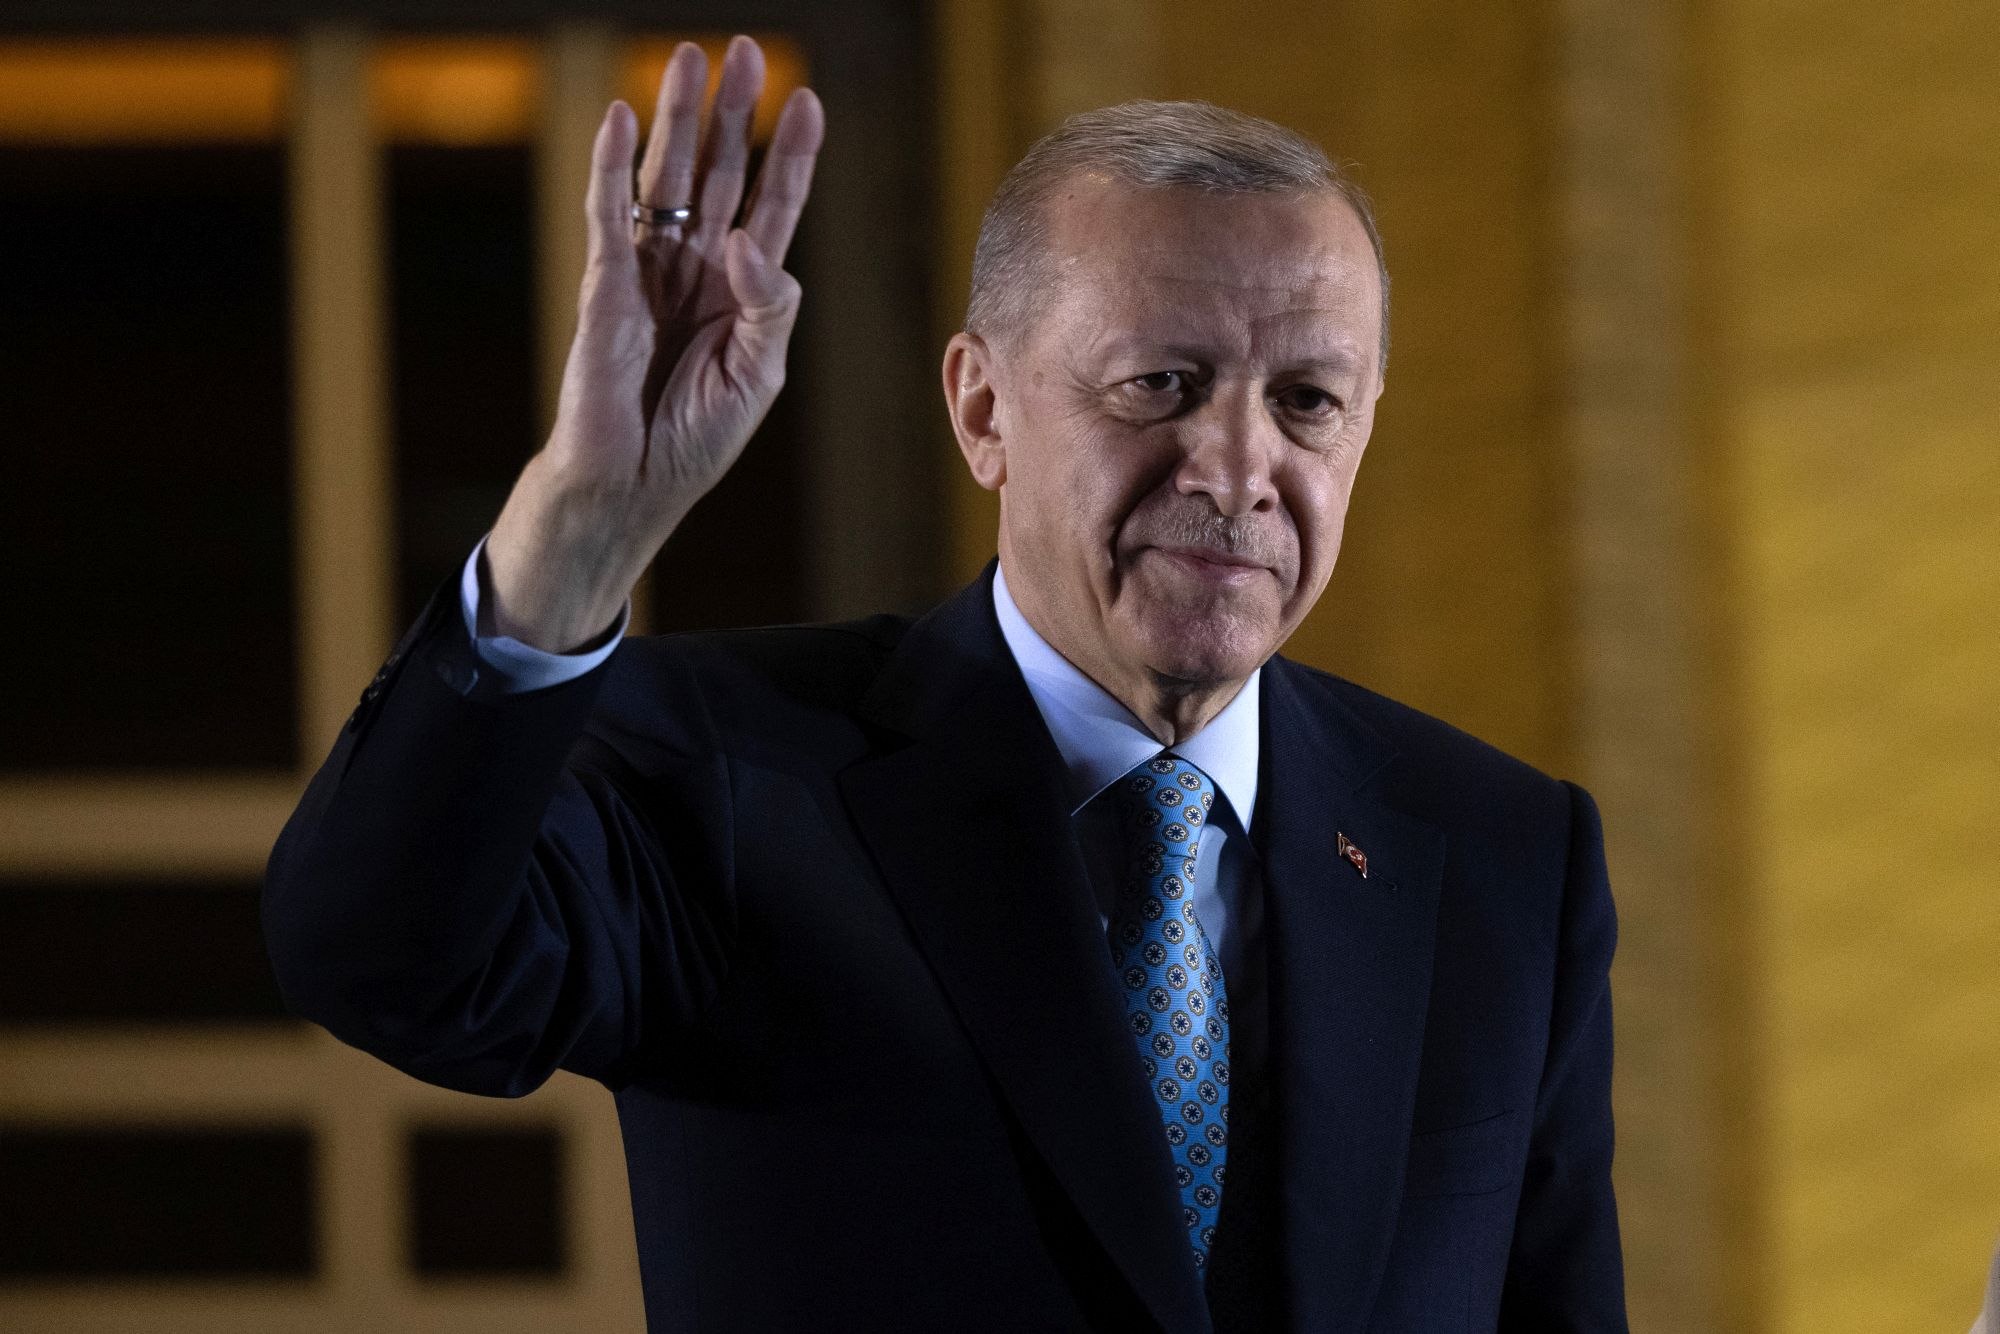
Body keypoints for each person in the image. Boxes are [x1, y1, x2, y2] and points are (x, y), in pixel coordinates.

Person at [265, 34, 1625, 1332]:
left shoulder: (1500, 851)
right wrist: (575, 529)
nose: (1236, 468)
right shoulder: (724, 775)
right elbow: (384, 961)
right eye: (1162, 382)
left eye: (1308, 402)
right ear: (984, 410)